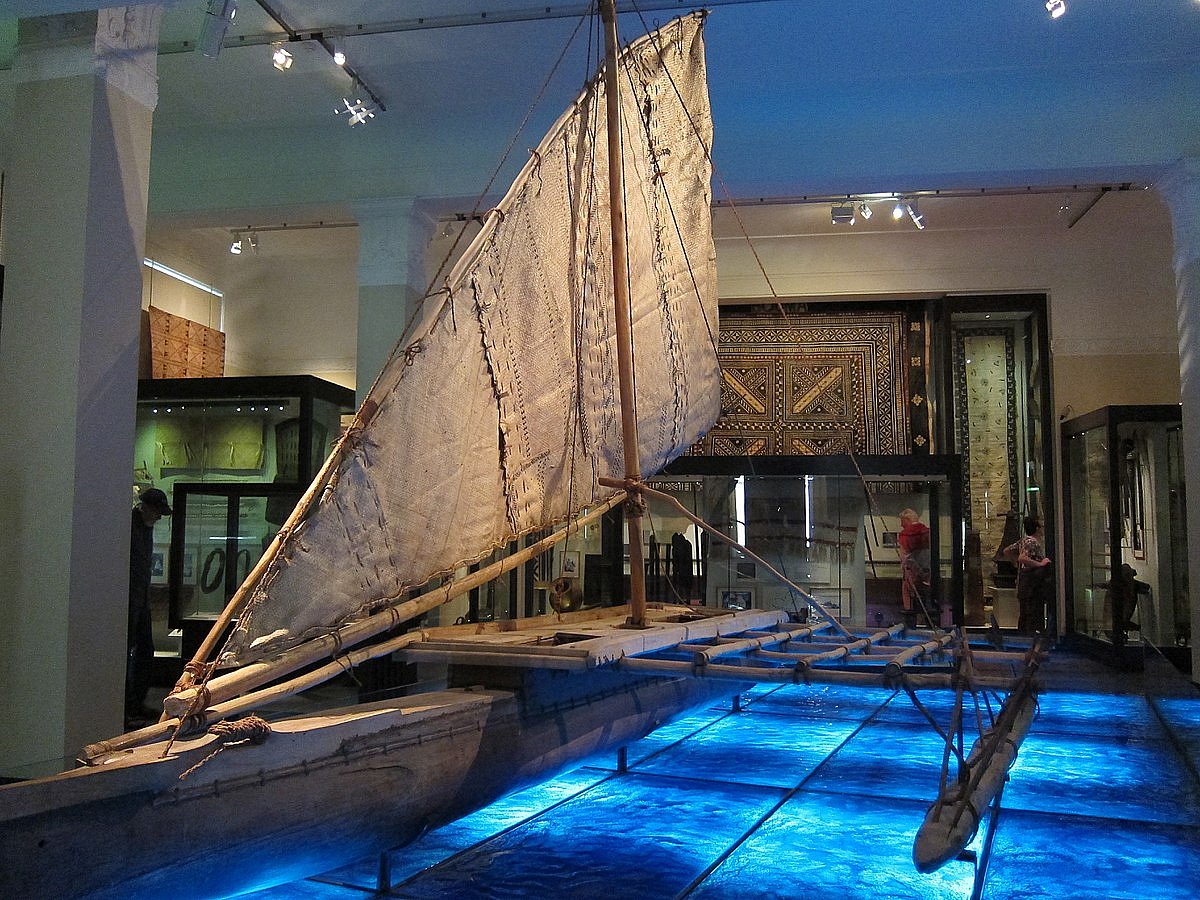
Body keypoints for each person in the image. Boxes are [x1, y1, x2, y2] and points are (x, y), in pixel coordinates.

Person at [127, 486, 171, 724]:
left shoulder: (144, 527)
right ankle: (128, 706)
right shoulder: (130, 527)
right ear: (145, 507)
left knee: (145, 650)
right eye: (157, 511)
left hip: (140, 598)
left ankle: (136, 703)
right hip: (128, 599)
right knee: (128, 653)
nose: (159, 517)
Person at [1005, 515, 1051, 635]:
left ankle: (1023, 636)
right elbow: (1023, 558)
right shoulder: (1032, 542)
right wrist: (1040, 564)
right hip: (1031, 584)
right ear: (1036, 528)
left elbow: (1007, 551)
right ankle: (1031, 637)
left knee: (1024, 612)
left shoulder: (1023, 541)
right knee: (1032, 612)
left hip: (1023, 583)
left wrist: (1014, 563)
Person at [897, 508, 931, 614]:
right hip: (928, 568)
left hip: (911, 568)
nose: (901, 524)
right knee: (926, 593)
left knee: (907, 590)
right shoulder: (927, 531)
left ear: (907, 520)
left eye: (902, 521)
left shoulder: (904, 534)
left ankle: (909, 614)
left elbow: (904, 555)